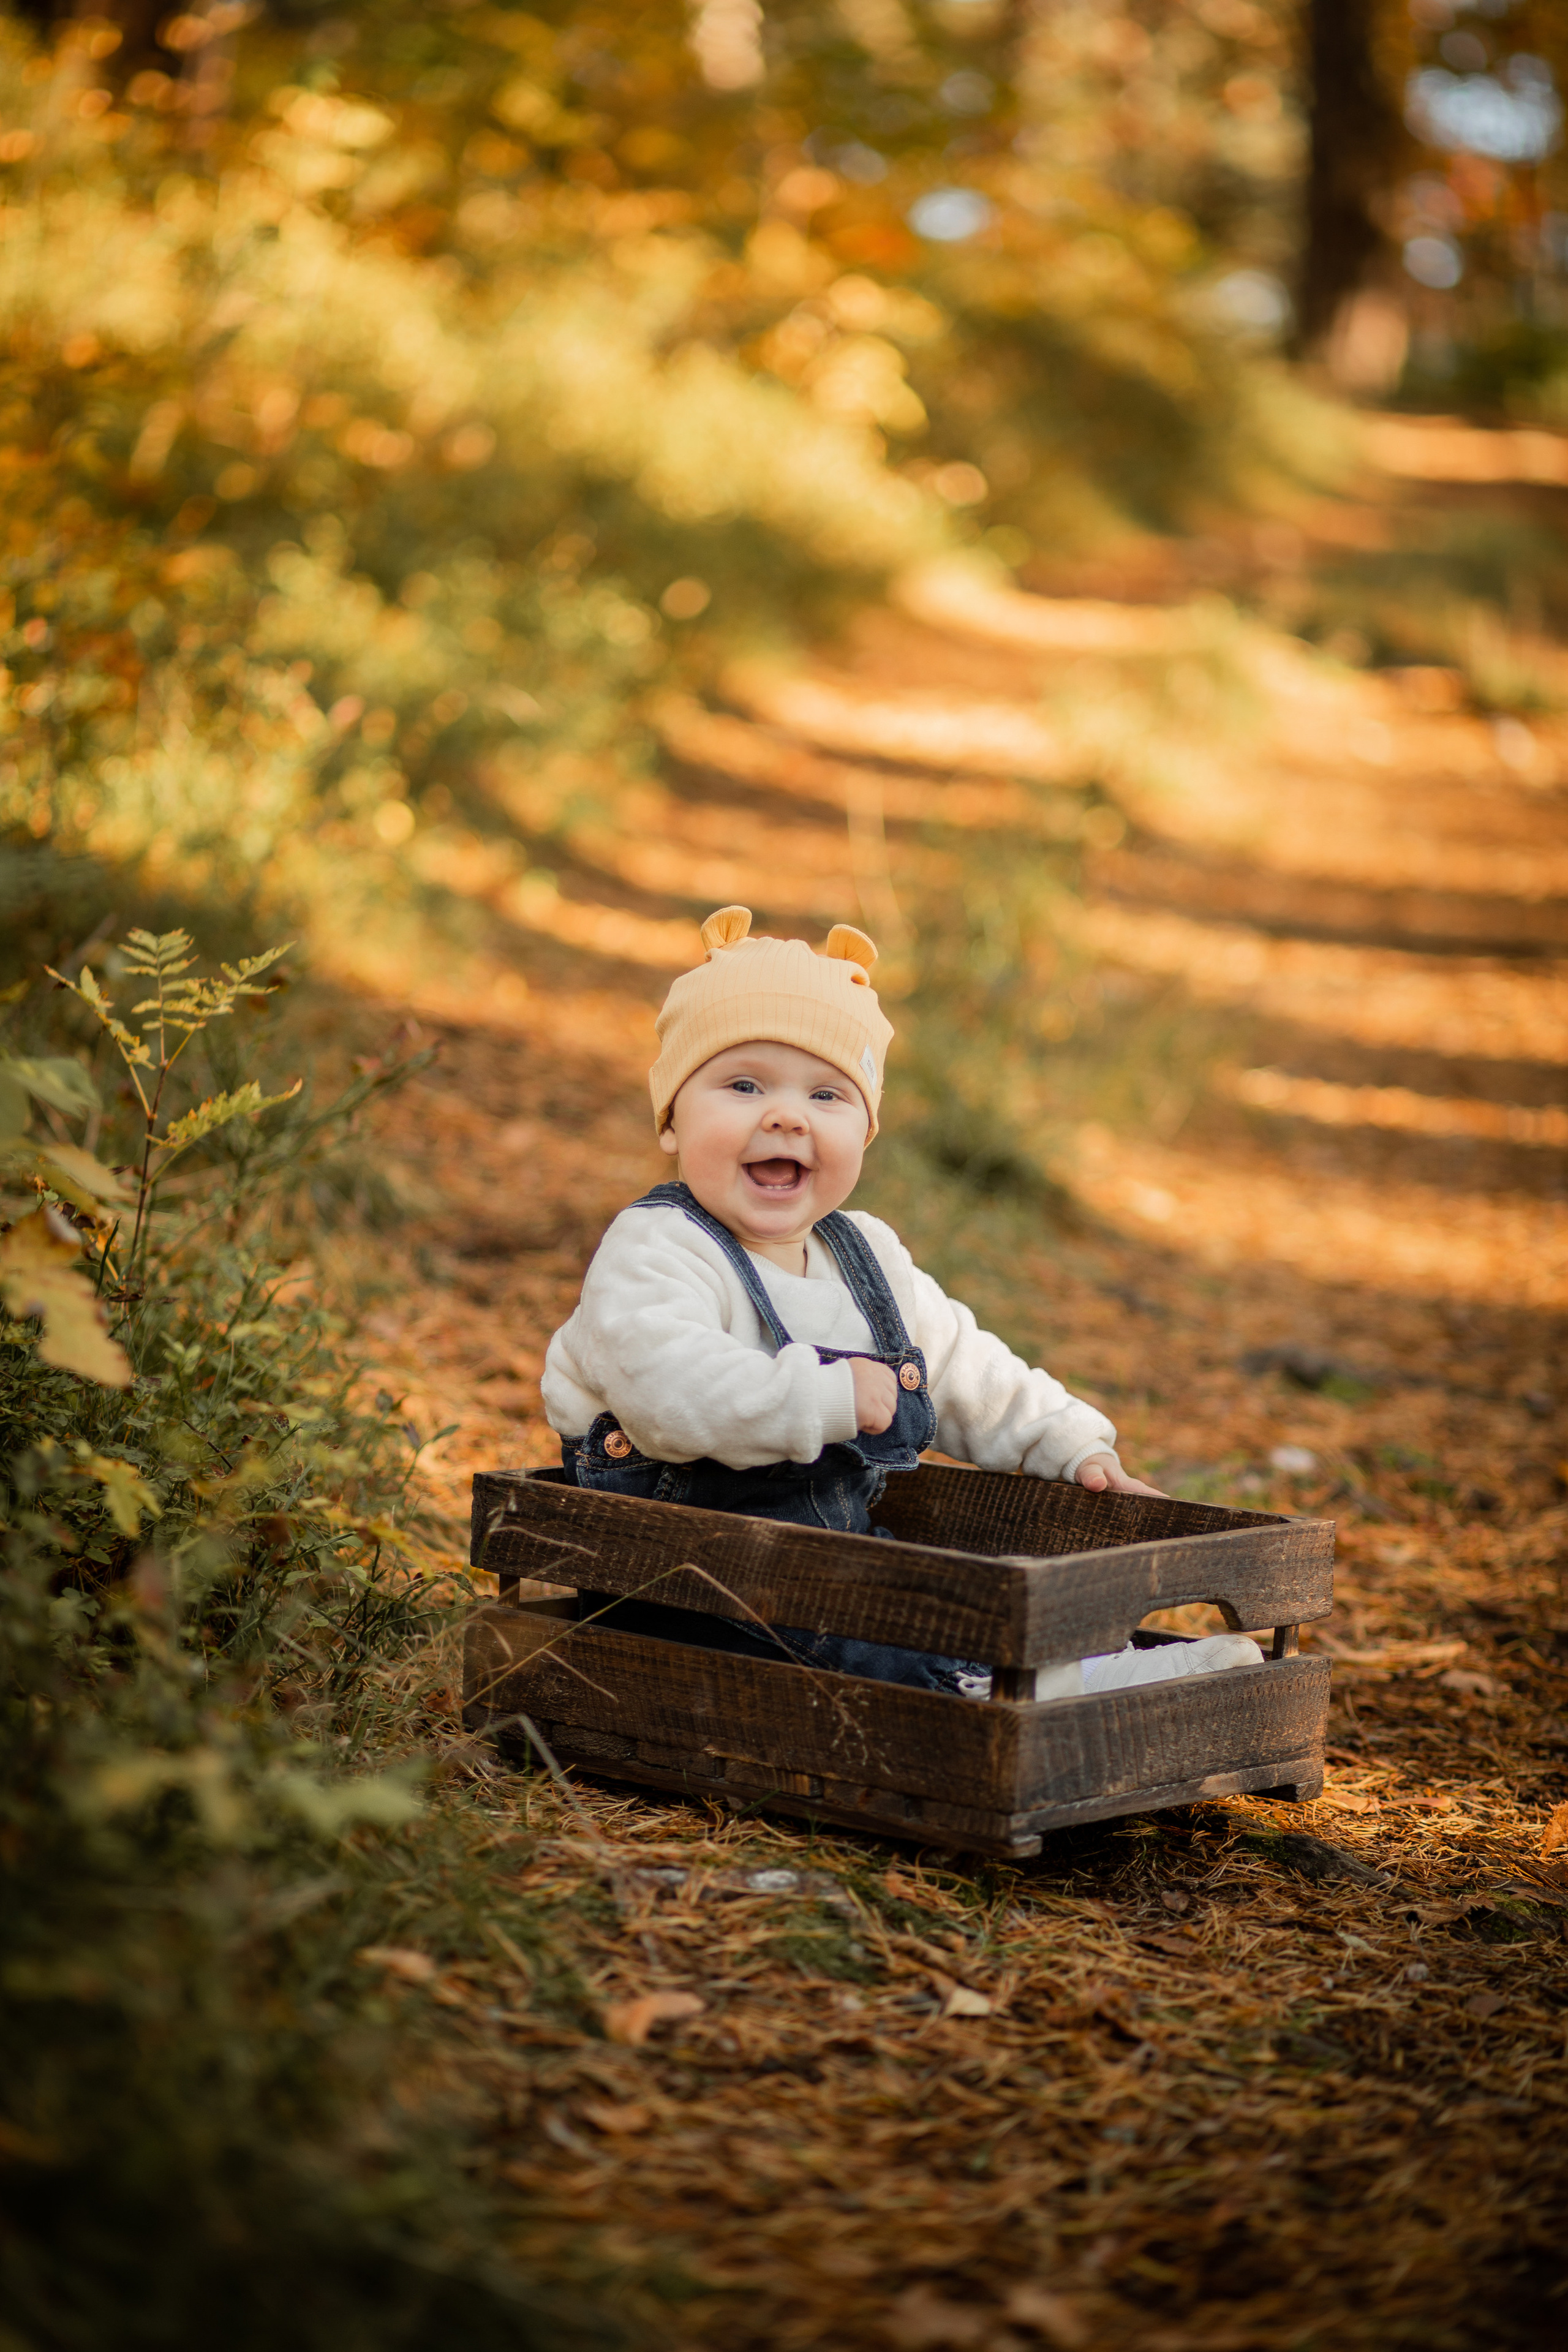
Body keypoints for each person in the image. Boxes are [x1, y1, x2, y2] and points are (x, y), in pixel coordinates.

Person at [542, 907, 1262, 1697]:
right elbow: (669, 1395)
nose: (785, 1115)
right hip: (689, 1593)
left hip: (830, 1575)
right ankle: (1014, 1690)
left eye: (827, 1095)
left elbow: (962, 1363)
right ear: (673, 1119)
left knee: (918, 1601)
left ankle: (1094, 1672)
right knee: (880, 1644)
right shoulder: (656, 1249)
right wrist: (821, 1396)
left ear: (866, 1131)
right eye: (743, 1084)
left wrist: (1070, 1443)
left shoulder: (867, 1258)